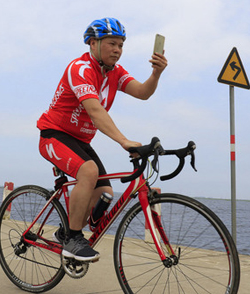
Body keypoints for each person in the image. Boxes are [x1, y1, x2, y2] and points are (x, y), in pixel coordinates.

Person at [37, 17, 167, 261]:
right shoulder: (80, 68)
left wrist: (156, 74)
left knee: (105, 190)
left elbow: (142, 92)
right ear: (93, 43)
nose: (117, 50)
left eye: (121, 45)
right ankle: (73, 239)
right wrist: (124, 141)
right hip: (54, 134)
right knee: (89, 171)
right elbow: (96, 112)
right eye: (112, 44)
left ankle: (65, 232)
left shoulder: (115, 73)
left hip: (80, 141)